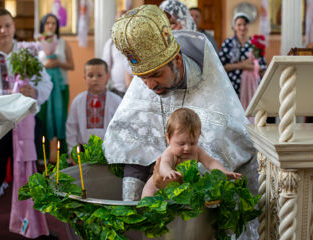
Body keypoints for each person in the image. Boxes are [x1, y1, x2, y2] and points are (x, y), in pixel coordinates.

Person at [104, 5, 259, 238]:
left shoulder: (208, 77)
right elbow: (130, 145)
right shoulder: (146, 83)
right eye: (142, 79)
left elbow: (229, 143)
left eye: (156, 75)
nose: (149, 87)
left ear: (176, 60)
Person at [0, 8, 53, 239]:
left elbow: (46, 85)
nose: (3, 31)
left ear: (14, 27)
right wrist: (10, 95)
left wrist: (33, 91)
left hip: (26, 124)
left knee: (31, 177)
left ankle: (34, 230)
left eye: (7, 25)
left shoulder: (27, 54)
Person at [141, 108, 241, 198]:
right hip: (161, 182)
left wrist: (223, 172)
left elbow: (210, 162)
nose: (187, 148)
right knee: (149, 190)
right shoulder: (170, 152)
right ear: (168, 138)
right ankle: (146, 209)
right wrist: (168, 172)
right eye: (181, 143)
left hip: (184, 186)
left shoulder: (197, 151)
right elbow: (164, 164)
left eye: (193, 143)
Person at [38, 13, 74, 163]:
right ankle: (42, 159)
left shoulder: (63, 43)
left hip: (61, 87)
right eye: (48, 23)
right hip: (43, 89)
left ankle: (62, 158)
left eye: (54, 23)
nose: (51, 26)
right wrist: (44, 66)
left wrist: (57, 63)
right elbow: (35, 67)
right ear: (43, 25)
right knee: (43, 121)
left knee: (61, 120)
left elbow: (72, 65)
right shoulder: (38, 43)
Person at [66, 58, 121, 155]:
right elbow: (71, 126)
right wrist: (72, 150)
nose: (95, 79)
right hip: (83, 150)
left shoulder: (116, 100)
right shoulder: (78, 100)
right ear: (84, 77)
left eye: (99, 75)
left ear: (107, 77)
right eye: (90, 75)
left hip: (109, 150)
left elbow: (121, 127)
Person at [219, 12, 267, 97]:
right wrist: (242, 65)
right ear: (234, 26)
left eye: (245, 24)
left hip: (252, 86)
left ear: (248, 26)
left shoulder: (255, 43)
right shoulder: (228, 43)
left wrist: (249, 65)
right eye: (239, 24)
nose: (242, 27)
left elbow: (262, 67)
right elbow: (222, 67)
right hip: (232, 87)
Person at [102, 10, 130, 98]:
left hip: (135, 90)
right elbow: (106, 67)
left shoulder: (138, 41)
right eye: (119, 21)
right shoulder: (111, 43)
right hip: (117, 91)